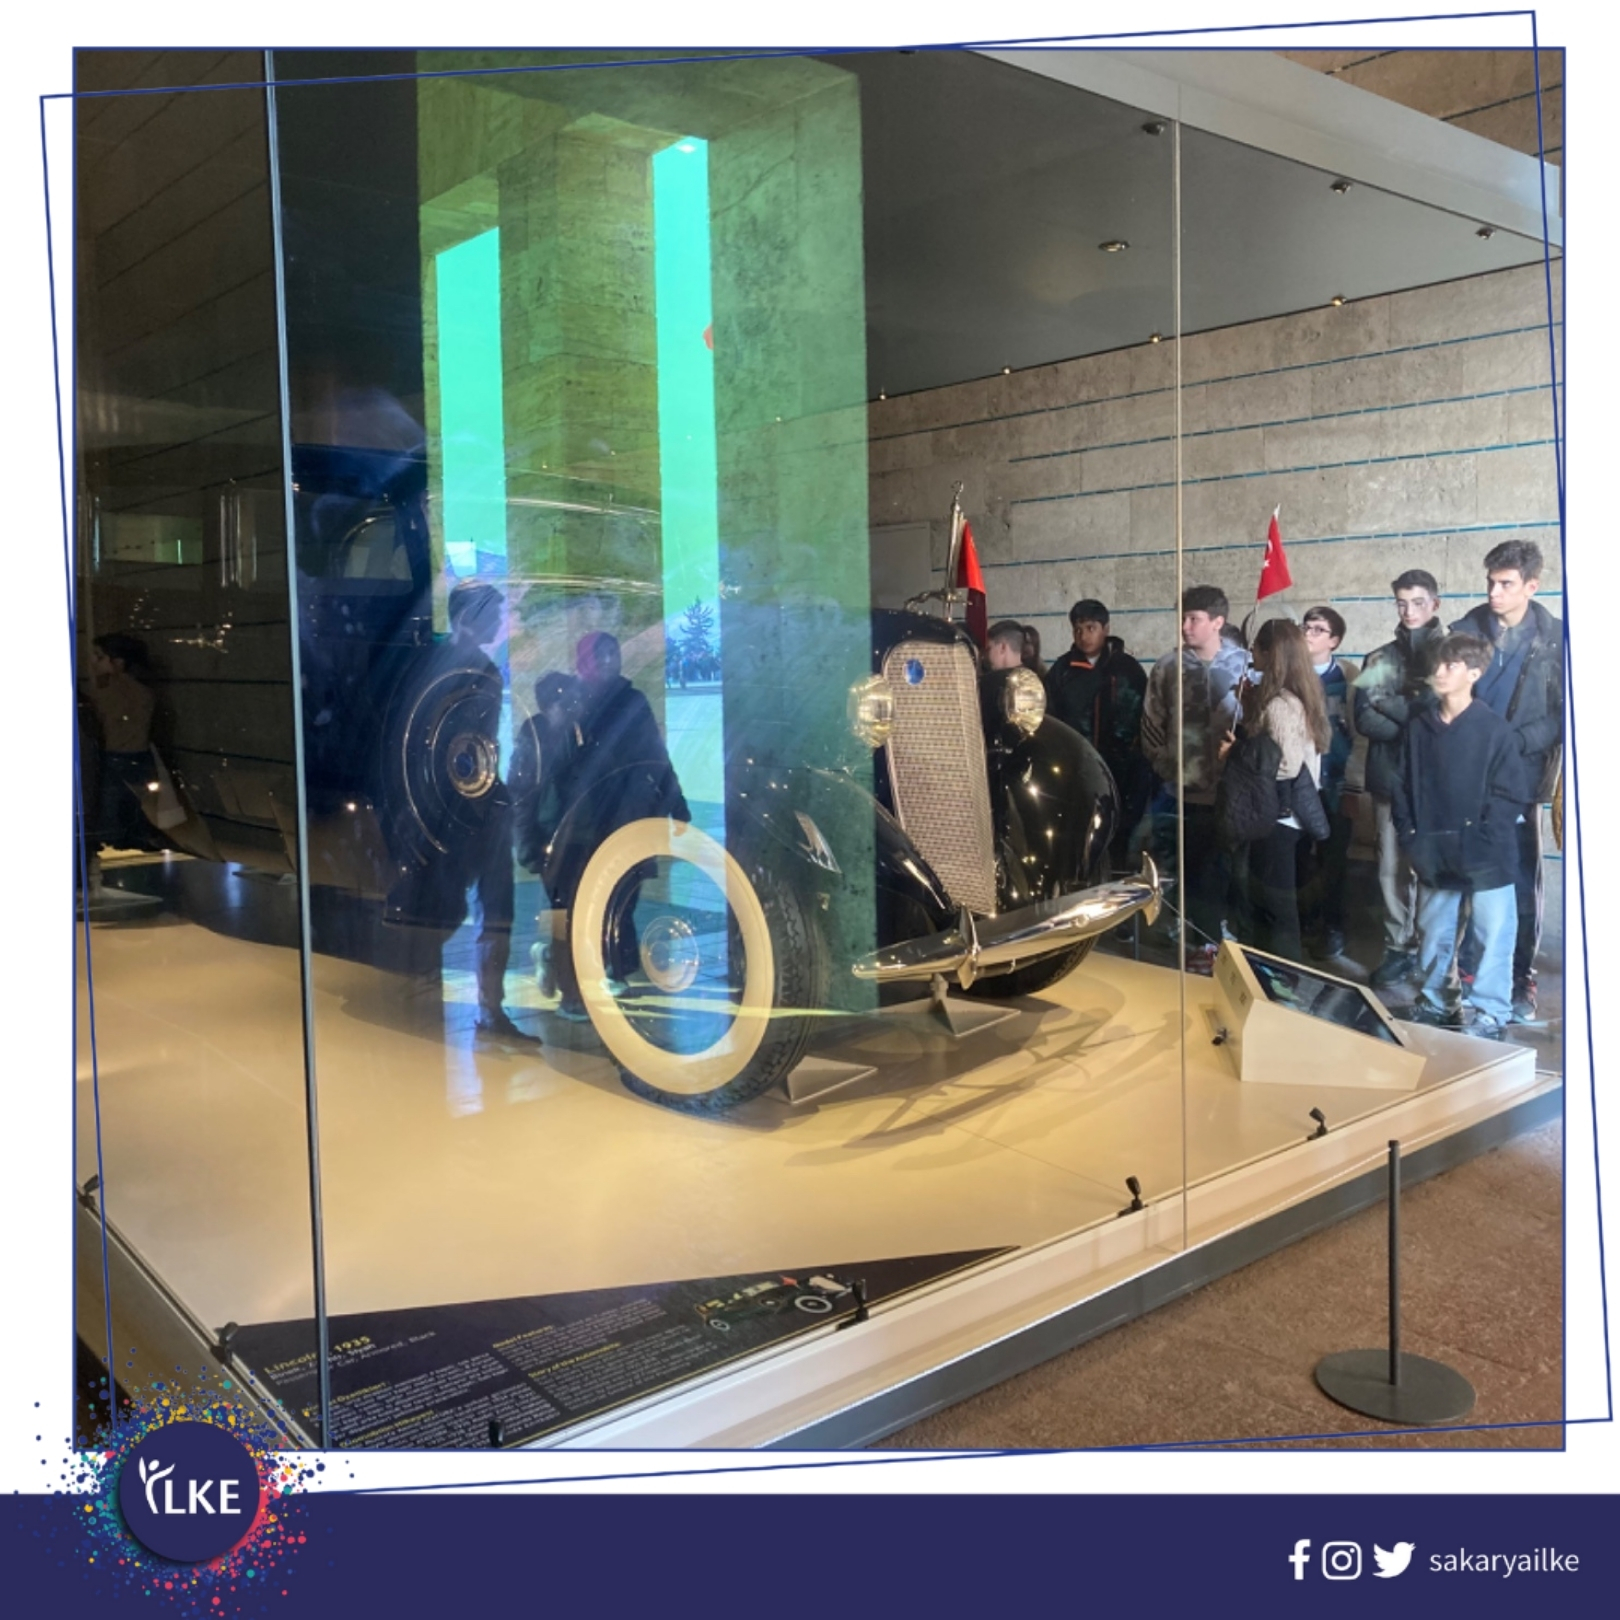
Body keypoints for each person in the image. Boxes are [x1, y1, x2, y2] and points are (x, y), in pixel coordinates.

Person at [1390, 633, 1530, 1038]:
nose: (1439, 672)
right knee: (1434, 933)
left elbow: (1510, 795)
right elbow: (1401, 784)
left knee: (1492, 935)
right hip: (1433, 850)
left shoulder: (1494, 730)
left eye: (1451, 665)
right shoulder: (1419, 728)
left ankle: (1490, 1013)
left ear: (1474, 673)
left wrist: (1482, 839)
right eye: (1437, 664)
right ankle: (1438, 1003)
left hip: (1487, 854)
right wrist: (1411, 836)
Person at [545, 632, 690, 1017]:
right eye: (601, 654)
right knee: (591, 893)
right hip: (587, 817)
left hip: (629, 810)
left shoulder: (632, 701)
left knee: (625, 888)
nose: (610, 660)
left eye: (614, 653)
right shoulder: (573, 700)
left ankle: (614, 964)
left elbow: (655, 754)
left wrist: (677, 803)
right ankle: (591, 966)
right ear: (584, 661)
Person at [1449, 540, 1563, 1023]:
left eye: (1506, 584)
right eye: (1490, 582)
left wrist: (1511, 743)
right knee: (1464, 877)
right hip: (1465, 773)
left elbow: (1560, 716)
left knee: (1517, 881)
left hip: (1519, 777)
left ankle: (1518, 978)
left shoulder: (1556, 639)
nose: (1494, 592)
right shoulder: (1465, 630)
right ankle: (1466, 973)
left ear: (1531, 586)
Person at [438, 582, 535, 1044]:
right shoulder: (468, 670)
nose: (500, 622)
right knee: (476, 909)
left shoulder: (470, 667)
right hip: (460, 806)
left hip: (473, 804)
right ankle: (488, 1010)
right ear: (466, 618)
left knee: (494, 910)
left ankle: (490, 1009)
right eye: (492, 614)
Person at [1140, 585, 1250, 969]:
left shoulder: (1245, 666)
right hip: (1183, 788)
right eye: (1183, 618)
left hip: (1230, 790)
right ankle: (1199, 939)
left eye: (1194, 619)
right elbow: (1152, 721)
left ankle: (1228, 936)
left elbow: (1254, 723)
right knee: (1191, 867)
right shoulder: (1168, 667)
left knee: (1229, 869)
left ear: (1218, 622)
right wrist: (1164, 763)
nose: (1185, 626)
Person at [1352, 570, 1445, 988]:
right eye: (1402, 603)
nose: (1409, 611)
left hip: (1437, 783)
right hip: (1390, 778)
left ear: (1435, 604)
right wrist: (1416, 717)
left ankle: (1434, 954)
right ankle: (1398, 948)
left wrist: (1392, 706)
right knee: (1390, 870)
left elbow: (1446, 717)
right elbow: (1364, 717)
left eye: (1418, 602)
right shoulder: (1378, 659)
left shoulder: (1452, 655)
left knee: (1433, 872)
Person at [1224, 618, 1331, 963]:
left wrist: (1236, 752)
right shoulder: (1295, 696)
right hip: (1286, 817)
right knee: (1273, 904)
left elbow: (1285, 763)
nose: (1251, 652)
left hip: (1279, 817)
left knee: (1277, 907)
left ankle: (1283, 976)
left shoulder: (1281, 704)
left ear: (1271, 653)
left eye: (1256, 646)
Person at [1045, 599, 1149, 867]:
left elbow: (1144, 715)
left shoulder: (1127, 669)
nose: (1084, 636)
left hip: (1122, 768)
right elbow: (1051, 716)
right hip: (1077, 766)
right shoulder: (1062, 670)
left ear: (1106, 629)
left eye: (1091, 628)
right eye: (1077, 630)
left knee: (1120, 830)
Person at [1297, 606, 1358, 962]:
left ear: (1334, 640)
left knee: (1332, 859)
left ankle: (1332, 926)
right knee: (1298, 857)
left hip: (1335, 783)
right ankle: (1303, 922)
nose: (1308, 634)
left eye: (1318, 629)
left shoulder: (1348, 678)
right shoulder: (1291, 674)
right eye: (1306, 627)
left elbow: (1360, 735)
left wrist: (1353, 787)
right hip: (1299, 783)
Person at [81, 633, 159, 894]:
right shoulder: (144, 692)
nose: (93, 662)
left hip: (112, 760)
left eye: (99, 657)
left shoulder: (105, 694)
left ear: (118, 662)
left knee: (105, 815)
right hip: (139, 758)